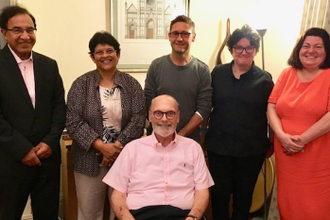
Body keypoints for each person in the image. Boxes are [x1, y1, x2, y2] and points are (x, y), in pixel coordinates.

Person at [66, 31, 146, 220]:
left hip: (123, 158)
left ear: (118, 54)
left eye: (109, 50)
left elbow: (139, 118)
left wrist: (116, 148)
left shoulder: (131, 84)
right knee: (89, 213)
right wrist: (101, 147)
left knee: (121, 211)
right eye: (99, 52)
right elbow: (73, 120)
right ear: (93, 57)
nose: (105, 56)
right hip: (87, 160)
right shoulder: (80, 84)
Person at [0, 5, 66, 220]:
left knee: (47, 214)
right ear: (4, 33)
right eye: (17, 30)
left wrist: (49, 142)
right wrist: (22, 150)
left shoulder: (49, 65)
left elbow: (59, 108)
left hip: (47, 158)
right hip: (10, 160)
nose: (25, 36)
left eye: (30, 30)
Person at [103, 94, 214, 220]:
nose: (164, 119)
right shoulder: (131, 149)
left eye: (170, 114)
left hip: (183, 216)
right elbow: (118, 194)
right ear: (150, 116)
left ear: (178, 117)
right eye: (158, 113)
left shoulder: (193, 148)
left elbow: (202, 192)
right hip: (139, 216)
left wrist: (192, 218)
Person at [205, 25, 274, 220]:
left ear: (256, 50)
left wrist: (272, 142)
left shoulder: (265, 79)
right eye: (238, 47)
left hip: (251, 151)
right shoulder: (217, 73)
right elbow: (207, 106)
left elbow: (273, 113)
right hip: (219, 148)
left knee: (243, 201)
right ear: (231, 49)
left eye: (249, 47)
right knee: (218, 198)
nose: (243, 52)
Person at [267, 27, 330, 220]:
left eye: (318, 46)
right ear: (299, 49)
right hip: (287, 156)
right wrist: (282, 137)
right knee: (288, 206)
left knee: (315, 210)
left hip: (318, 160)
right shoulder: (287, 74)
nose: (311, 51)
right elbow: (271, 107)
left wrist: (300, 140)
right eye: (306, 46)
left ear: (327, 51)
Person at [144, 15, 212, 142]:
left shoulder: (202, 70)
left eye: (185, 34)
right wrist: (165, 134)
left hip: (189, 141)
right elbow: (149, 103)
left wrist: (180, 136)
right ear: (169, 36)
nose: (179, 38)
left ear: (194, 37)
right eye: (175, 33)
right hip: (157, 140)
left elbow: (204, 108)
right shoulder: (156, 66)